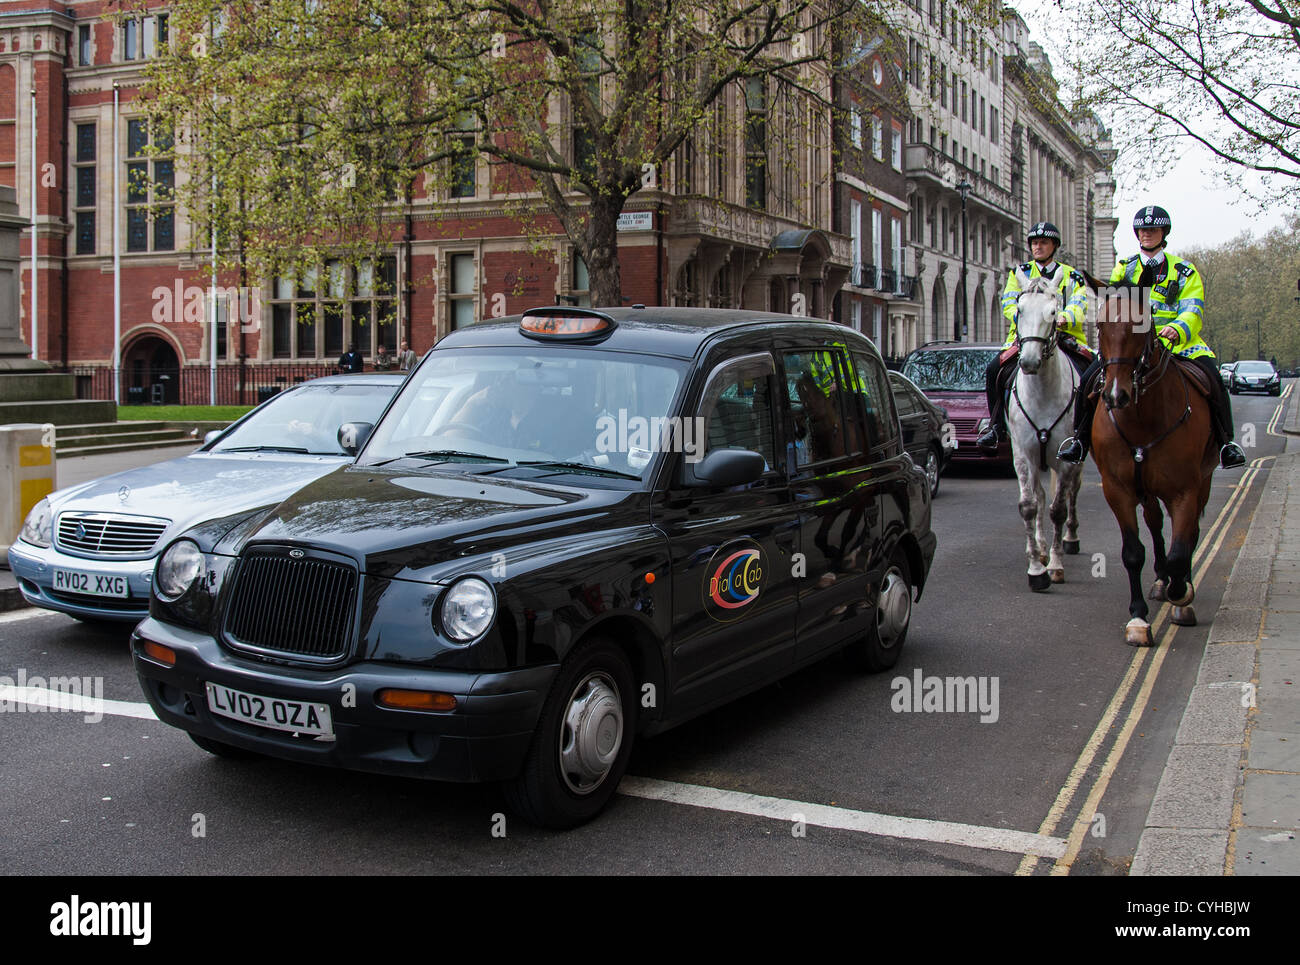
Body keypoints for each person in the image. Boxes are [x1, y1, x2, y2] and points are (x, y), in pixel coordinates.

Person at [1057, 205, 1246, 469]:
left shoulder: (1184, 271)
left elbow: (1193, 310)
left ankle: (1226, 443)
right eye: (1143, 229)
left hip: (1179, 344)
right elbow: (1113, 307)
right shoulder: (1124, 268)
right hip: (1131, 344)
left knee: (1213, 379)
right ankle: (1078, 440)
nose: (1147, 234)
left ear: (1163, 233)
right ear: (1137, 233)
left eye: (1153, 229)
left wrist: (1177, 329)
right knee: (1089, 379)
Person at [976, 221, 1093, 452]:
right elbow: (1009, 304)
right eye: (1035, 243)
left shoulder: (1072, 276)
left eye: (1043, 243)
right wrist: (1026, 321)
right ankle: (997, 426)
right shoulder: (1020, 273)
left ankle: (1084, 433)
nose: (1038, 247)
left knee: (1092, 373)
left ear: (1054, 246)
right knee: (993, 370)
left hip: (1065, 337)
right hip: (1028, 337)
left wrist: (1063, 318)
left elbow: (1080, 304)